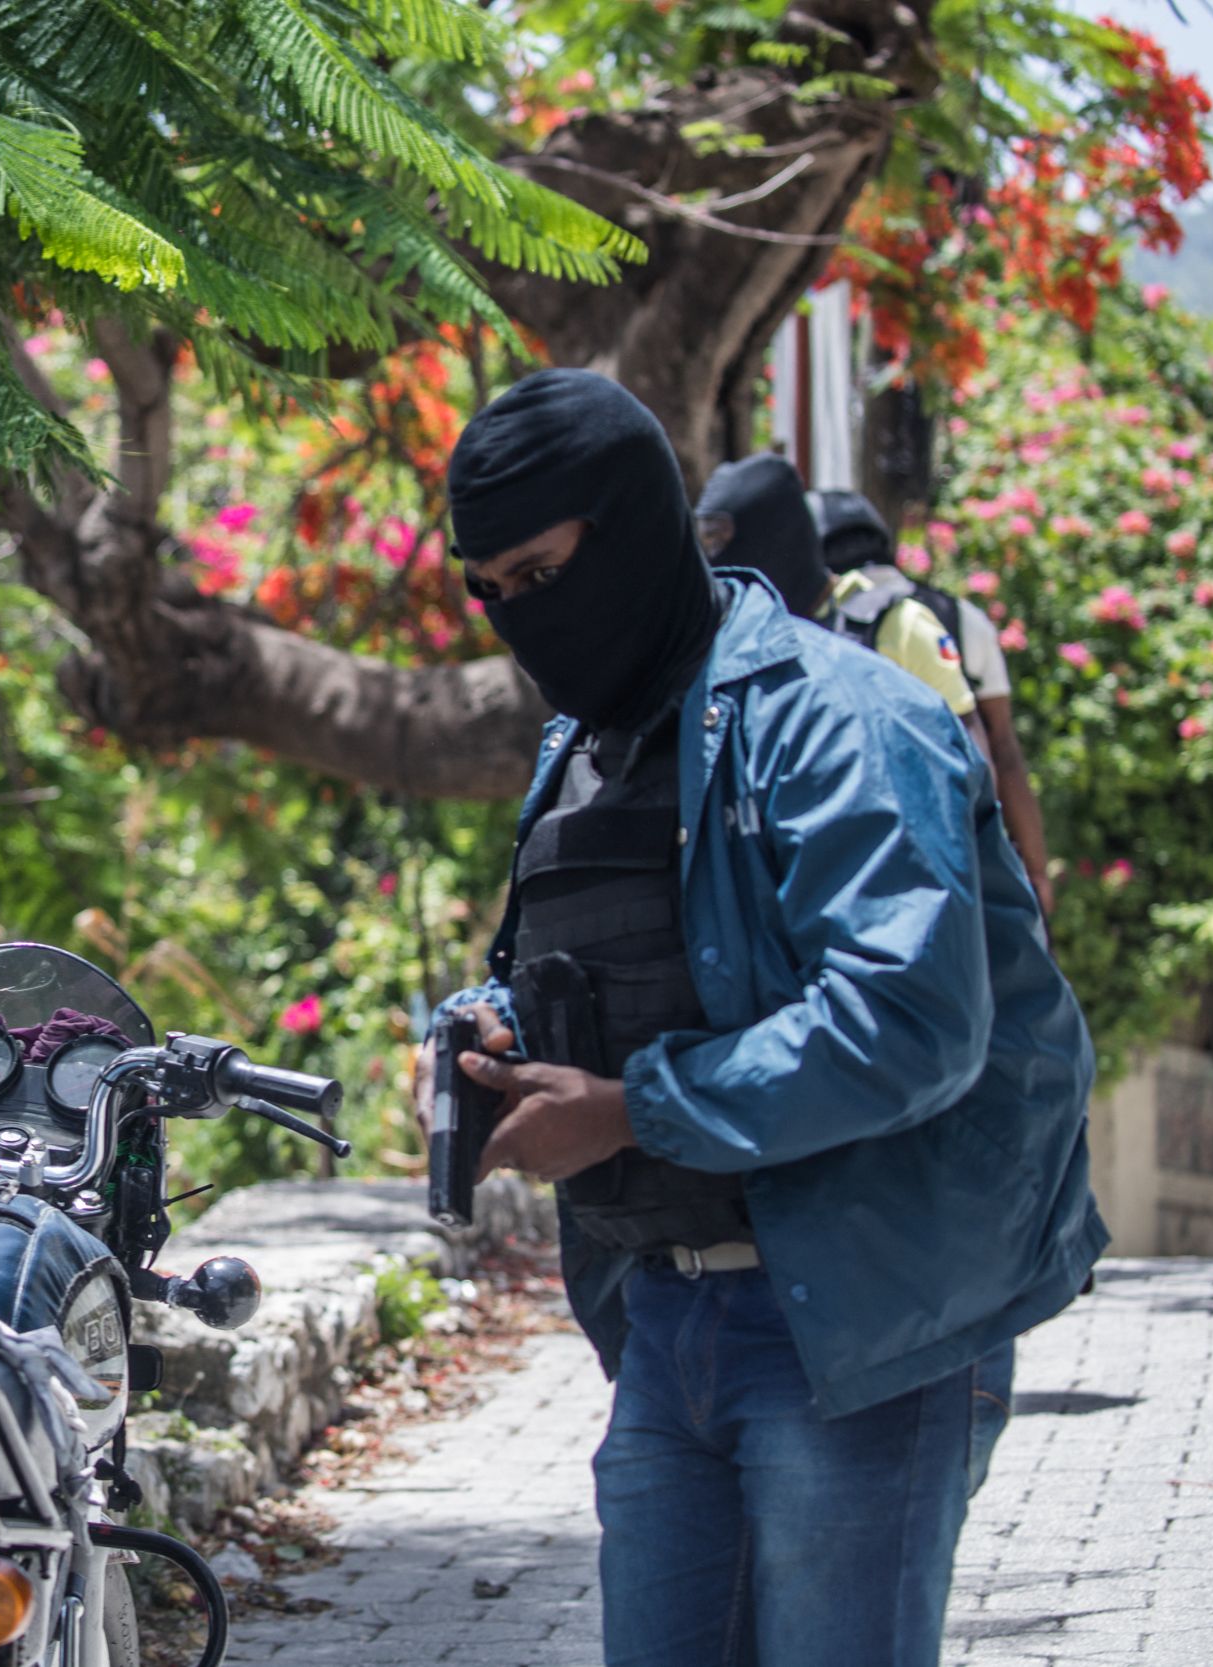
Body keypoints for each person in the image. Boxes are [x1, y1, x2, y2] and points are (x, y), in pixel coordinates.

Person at [431, 369, 1104, 1667]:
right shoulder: (581, 746)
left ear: (629, 526)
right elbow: (585, 960)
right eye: (490, 591)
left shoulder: (842, 716)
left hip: (853, 1327)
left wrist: (635, 1111)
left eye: (543, 570)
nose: (525, 617)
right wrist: (488, 1038)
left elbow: (907, 1016)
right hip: (658, 1317)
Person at [815, 488, 1056, 913]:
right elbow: (1003, 749)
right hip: (961, 848)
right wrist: (1034, 871)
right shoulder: (962, 618)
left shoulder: (814, 626)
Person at [694, 454, 989, 752]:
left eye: (720, 540)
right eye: (707, 542)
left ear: (775, 535)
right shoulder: (735, 641)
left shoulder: (897, 625)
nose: (715, 560)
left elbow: (969, 758)